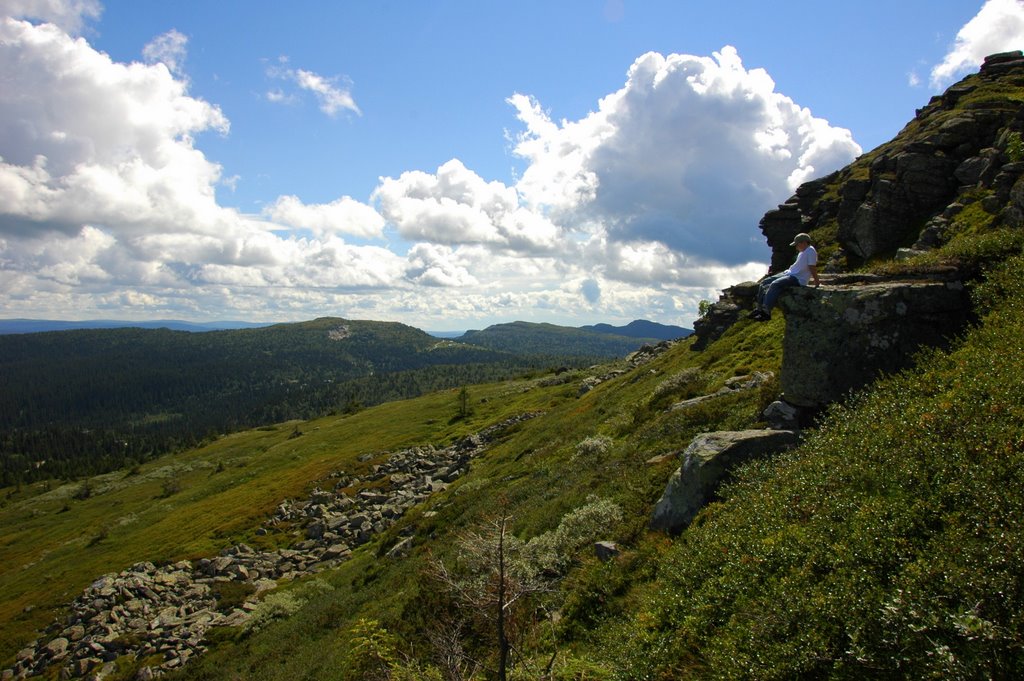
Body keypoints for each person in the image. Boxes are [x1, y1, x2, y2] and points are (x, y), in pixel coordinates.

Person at [749, 232, 819, 321]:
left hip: (798, 278)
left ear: (804, 242)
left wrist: (817, 282)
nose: (796, 247)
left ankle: (766, 312)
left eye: (797, 245)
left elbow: (812, 267)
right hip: (790, 273)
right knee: (764, 282)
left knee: (775, 284)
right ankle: (759, 309)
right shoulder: (803, 251)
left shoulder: (811, 251)